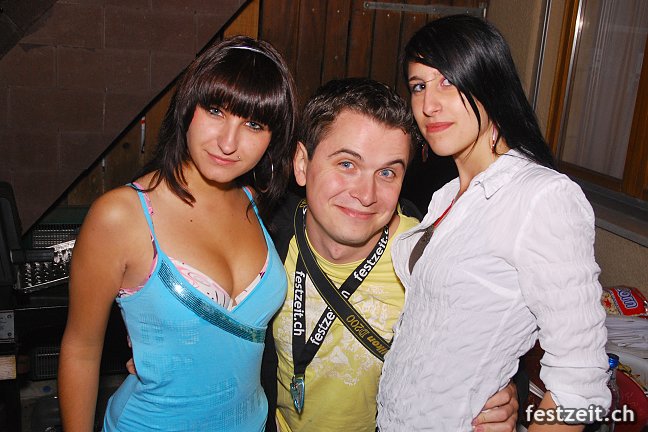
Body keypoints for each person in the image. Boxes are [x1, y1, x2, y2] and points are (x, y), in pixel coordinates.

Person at [376, 15, 610, 431]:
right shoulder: (448, 195)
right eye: (418, 86)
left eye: (448, 81)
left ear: (489, 83)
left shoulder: (541, 197)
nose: (429, 104)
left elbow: (580, 381)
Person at [58, 35, 298, 431]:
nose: (228, 142)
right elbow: (81, 350)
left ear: (274, 138)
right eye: (216, 110)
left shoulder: (258, 204)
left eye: (254, 124)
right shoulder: (122, 216)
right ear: (188, 107)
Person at [263, 77, 518, 432]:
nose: (366, 194)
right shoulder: (263, 241)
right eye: (347, 165)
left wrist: (500, 398)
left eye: (386, 172)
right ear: (302, 164)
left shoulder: (430, 261)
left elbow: (486, 352)